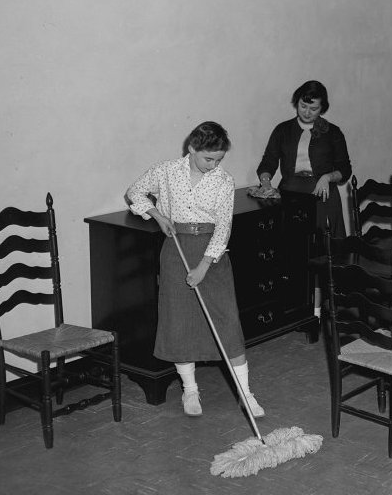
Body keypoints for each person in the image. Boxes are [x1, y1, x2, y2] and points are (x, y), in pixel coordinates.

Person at [126, 121, 265, 418]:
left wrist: (204, 265)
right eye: (208, 159)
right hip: (176, 249)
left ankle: (246, 393)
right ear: (192, 148)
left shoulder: (223, 181)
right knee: (180, 322)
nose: (214, 165)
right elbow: (135, 192)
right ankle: (190, 390)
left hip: (211, 254)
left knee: (227, 322)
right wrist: (155, 213)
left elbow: (224, 226)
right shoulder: (166, 171)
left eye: (219, 159)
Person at [254, 80, 352, 237]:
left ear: (322, 108)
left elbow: (345, 169)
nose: (307, 112)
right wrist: (266, 183)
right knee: (292, 245)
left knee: (325, 248)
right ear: (296, 103)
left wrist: (327, 177)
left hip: (323, 193)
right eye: (303, 106)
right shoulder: (282, 130)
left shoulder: (333, 132)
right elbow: (268, 162)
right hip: (290, 192)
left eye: (313, 109)